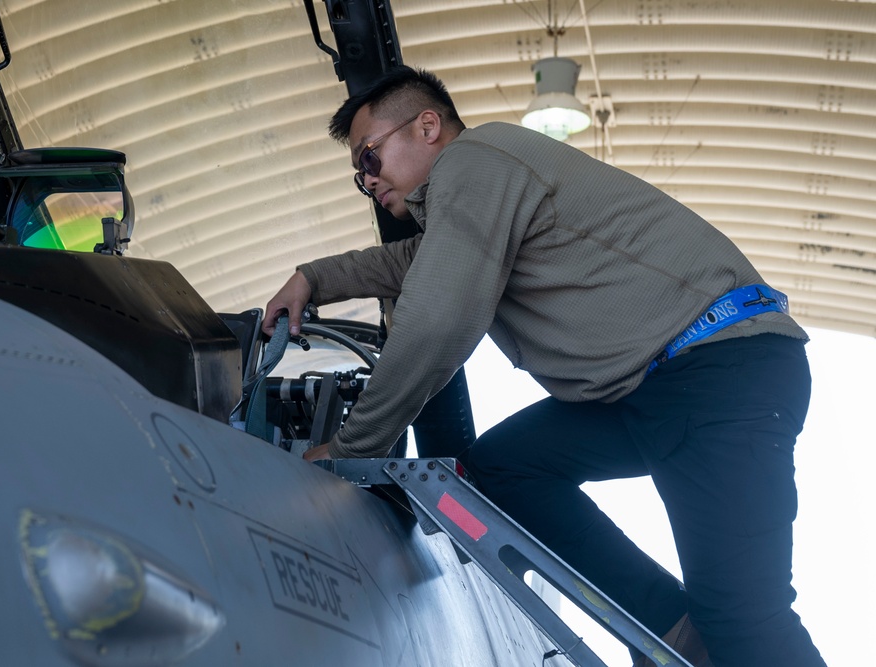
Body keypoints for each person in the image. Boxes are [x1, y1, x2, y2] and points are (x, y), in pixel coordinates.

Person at [263, 65, 826, 667]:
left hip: (718, 376)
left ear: (427, 127)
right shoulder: (480, 190)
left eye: (370, 158)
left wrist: (352, 447)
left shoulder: (474, 163)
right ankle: (675, 631)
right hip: (656, 388)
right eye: (358, 173)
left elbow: (437, 318)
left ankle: (706, 630)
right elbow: (416, 263)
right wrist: (315, 278)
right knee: (505, 471)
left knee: (745, 616)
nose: (367, 180)